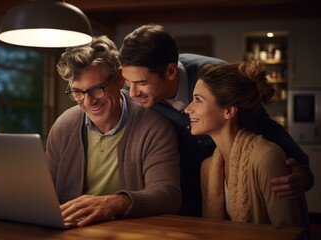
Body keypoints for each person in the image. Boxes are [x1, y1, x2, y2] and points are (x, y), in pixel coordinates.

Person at [119, 23, 314, 217]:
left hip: (239, 180)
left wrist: (303, 170)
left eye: (141, 83)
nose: (132, 92)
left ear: (170, 72)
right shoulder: (136, 94)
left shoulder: (211, 76)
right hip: (187, 190)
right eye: (128, 82)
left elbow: (265, 125)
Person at [45, 35, 182, 227]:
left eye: (96, 89)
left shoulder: (154, 127)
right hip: (71, 231)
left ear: (119, 79)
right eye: (77, 92)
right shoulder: (63, 126)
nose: (88, 101)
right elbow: (44, 192)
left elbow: (169, 195)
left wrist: (117, 203)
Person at [184, 60, 310, 238]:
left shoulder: (267, 158)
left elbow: (290, 233)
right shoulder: (208, 168)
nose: (188, 109)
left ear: (228, 111)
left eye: (198, 100)